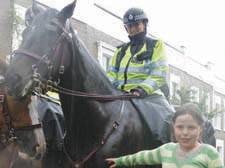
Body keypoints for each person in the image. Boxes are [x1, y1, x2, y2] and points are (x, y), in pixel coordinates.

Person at [105, 103, 223, 168]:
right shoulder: (167, 150)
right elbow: (142, 157)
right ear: (173, 126)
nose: (185, 133)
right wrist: (120, 161)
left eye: (191, 127)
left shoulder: (209, 154)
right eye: (180, 127)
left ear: (201, 128)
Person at [107, 7, 169, 98]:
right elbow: (111, 74)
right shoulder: (120, 50)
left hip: (148, 96)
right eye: (130, 26)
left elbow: (159, 73)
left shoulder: (156, 45)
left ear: (144, 24)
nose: (133, 29)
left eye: (136, 24)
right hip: (121, 95)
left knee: (166, 112)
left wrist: (141, 89)